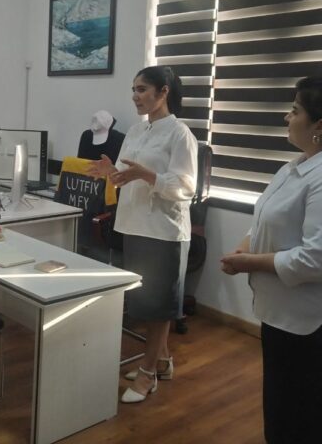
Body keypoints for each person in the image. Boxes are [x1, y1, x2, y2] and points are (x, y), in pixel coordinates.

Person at [220, 76, 322, 444]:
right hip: (289, 322)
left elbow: (317, 261)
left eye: (295, 111)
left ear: (320, 126)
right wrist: (244, 248)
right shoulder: (297, 167)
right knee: (285, 424)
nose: (287, 117)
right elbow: (266, 220)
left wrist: (250, 262)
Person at [88, 66, 197, 403]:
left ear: (163, 92)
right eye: (133, 89)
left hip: (163, 231)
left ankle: (148, 374)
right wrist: (111, 172)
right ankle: (162, 362)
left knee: (159, 306)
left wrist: (147, 176)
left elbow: (186, 188)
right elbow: (126, 176)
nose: (135, 96)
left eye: (142, 89)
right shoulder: (136, 131)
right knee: (146, 302)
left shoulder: (180, 134)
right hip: (133, 224)